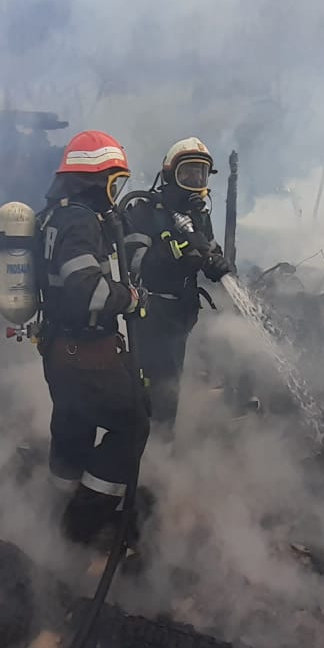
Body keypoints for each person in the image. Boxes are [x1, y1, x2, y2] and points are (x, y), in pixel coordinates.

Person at [36, 130, 151, 546]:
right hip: (88, 353)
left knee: (74, 423)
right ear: (94, 180)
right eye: (113, 183)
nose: (114, 193)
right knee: (133, 425)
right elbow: (88, 289)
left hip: (58, 349)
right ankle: (81, 524)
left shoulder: (53, 216)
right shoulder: (81, 221)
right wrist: (129, 297)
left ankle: (56, 505)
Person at [124, 137, 233, 430]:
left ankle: (162, 443)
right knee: (152, 387)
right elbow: (134, 265)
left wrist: (216, 264)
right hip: (150, 314)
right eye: (188, 174)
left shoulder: (199, 217)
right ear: (170, 175)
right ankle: (148, 444)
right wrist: (177, 251)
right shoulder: (143, 212)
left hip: (181, 315)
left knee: (171, 385)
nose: (195, 182)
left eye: (200, 174)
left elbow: (208, 251)